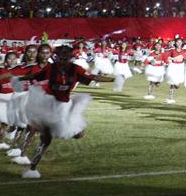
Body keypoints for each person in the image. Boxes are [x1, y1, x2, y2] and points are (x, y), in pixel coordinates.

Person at [11, 44, 116, 179]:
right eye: (60, 58)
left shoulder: (76, 69)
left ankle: (33, 160)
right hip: (48, 106)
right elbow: (36, 75)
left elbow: (93, 77)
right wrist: (19, 79)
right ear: (56, 57)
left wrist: (114, 79)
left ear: (70, 58)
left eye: (66, 58)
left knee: (79, 134)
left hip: (65, 106)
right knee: (46, 139)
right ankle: (32, 167)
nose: (63, 61)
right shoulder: (51, 68)